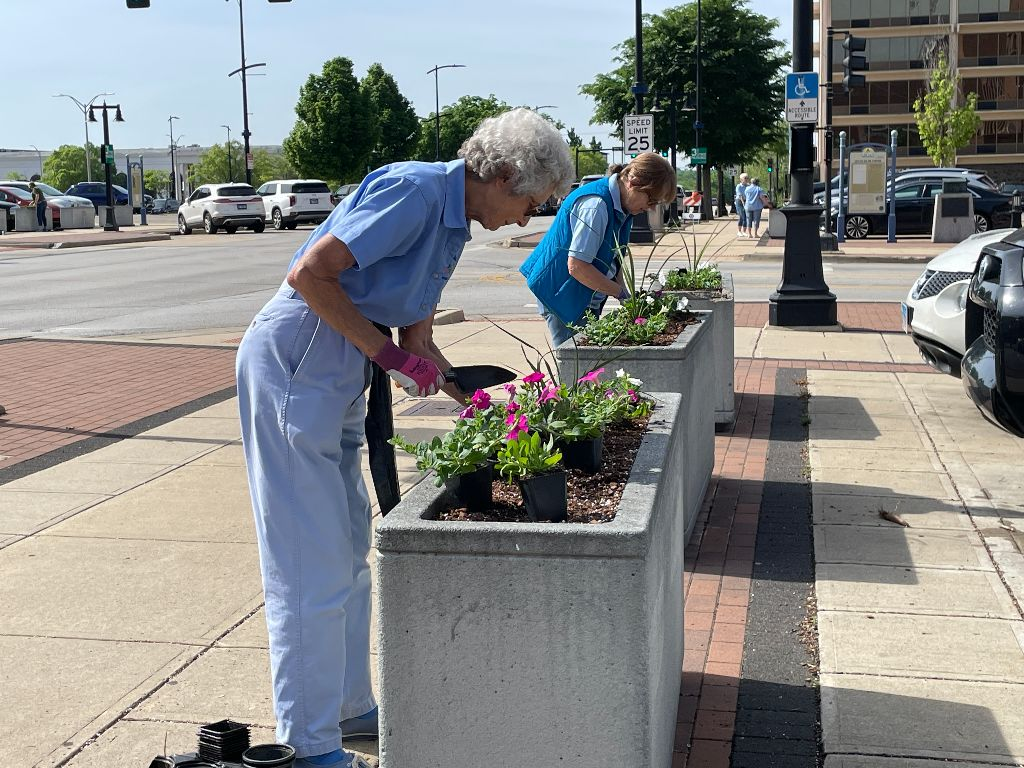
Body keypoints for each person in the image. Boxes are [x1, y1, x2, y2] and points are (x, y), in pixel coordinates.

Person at [235, 108, 573, 768]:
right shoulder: (416, 193)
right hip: (295, 363)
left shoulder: (451, 225)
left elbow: (419, 343)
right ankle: (307, 748)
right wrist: (384, 357)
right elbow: (311, 275)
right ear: (503, 176)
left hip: (336, 372)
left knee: (349, 550)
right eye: (532, 203)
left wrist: (481, 406)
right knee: (310, 567)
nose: (531, 219)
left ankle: (348, 708)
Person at [520, 151, 676, 348]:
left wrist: (627, 297)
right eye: (651, 200)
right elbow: (577, 267)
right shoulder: (596, 206)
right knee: (577, 370)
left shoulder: (622, 207)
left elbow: (614, 257)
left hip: (580, 297)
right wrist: (621, 294)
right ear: (633, 182)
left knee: (587, 369)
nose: (651, 208)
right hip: (562, 297)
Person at [734, 172, 750, 237]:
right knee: (742, 216)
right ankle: (739, 231)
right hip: (739, 202)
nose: (746, 179)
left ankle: (744, 231)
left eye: (747, 178)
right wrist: (743, 203)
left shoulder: (748, 186)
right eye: (745, 178)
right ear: (741, 179)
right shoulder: (739, 186)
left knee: (746, 216)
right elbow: (740, 195)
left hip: (746, 201)